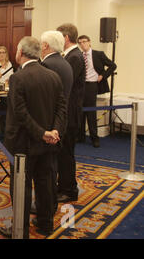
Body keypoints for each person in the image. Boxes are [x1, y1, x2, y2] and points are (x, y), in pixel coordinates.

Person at [0, 36, 66, 238]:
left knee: (22, 187)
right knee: (45, 183)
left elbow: (20, 113)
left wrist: (42, 133)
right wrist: (55, 132)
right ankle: (46, 225)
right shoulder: (53, 76)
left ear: (20, 53)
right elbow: (62, 108)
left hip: (23, 143)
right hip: (49, 142)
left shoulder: (18, 77)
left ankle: (20, 229)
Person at [39, 30, 74, 215]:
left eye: (40, 44)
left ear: (45, 46)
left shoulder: (47, 65)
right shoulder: (65, 63)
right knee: (53, 166)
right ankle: (49, 204)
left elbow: (42, 99)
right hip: (59, 122)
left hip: (48, 125)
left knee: (46, 170)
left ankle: (46, 207)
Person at [56, 23, 85, 203]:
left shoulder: (74, 57)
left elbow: (65, 85)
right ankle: (65, 186)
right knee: (64, 153)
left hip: (70, 113)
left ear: (66, 38)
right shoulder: (72, 55)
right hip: (70, 112)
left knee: (66, 153)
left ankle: (68, 190)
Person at [77, 35, 116, 148]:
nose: (82, 44)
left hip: (92, 85)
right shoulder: (79, 55)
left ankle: (94, 138)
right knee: (80, 111)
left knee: (91, 112)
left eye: (84, 42)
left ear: (89, 42)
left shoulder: (98, 54)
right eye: (80, 43)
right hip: (81, 85)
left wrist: (103, 76)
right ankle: (80, 136)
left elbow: (113, 66)